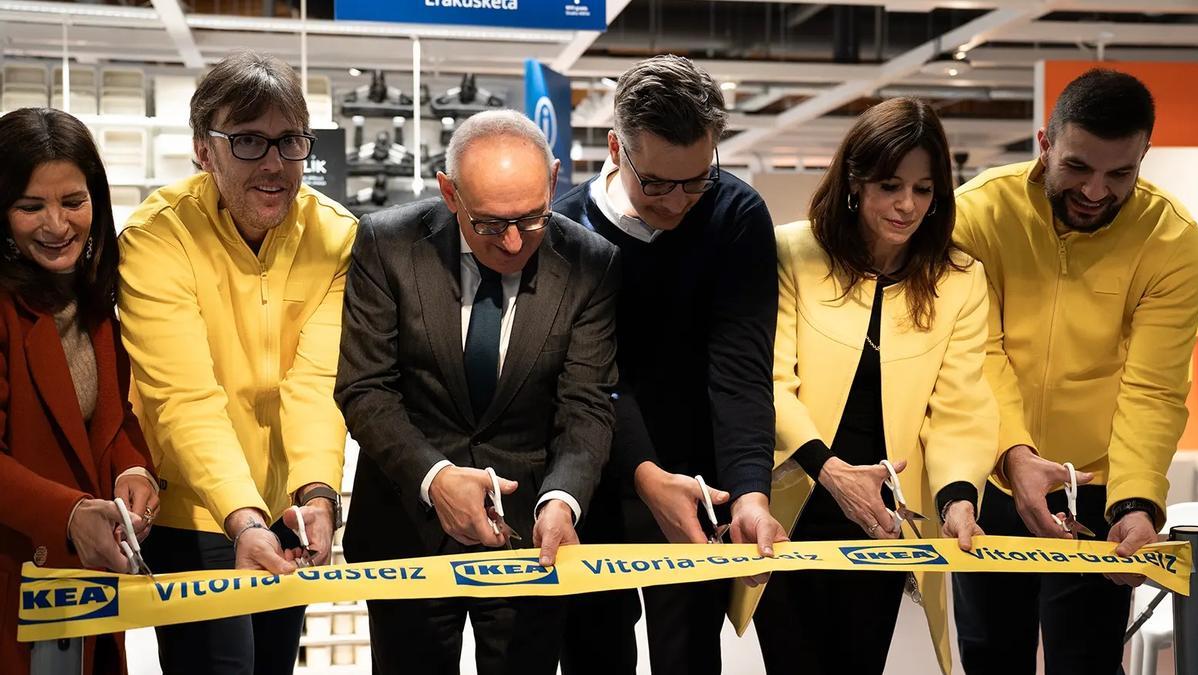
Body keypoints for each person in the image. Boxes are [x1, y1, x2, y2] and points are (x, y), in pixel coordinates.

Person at [335, 109, 619, 675]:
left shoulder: (591, 262)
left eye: (532, 219)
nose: (513, 243)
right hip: (406, 528)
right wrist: (434, 478)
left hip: (530, 536)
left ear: (554, 180)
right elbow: (365, 387)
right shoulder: (388, 242)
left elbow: (587, 403)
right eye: (489, 224)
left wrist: (562, 499)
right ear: (449, 193)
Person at [734, 97, 998, 675]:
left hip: (883, 520)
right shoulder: (791, 251)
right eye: (889, 186)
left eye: (923, 189)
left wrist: (958, 498)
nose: (907, 205)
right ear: (854, 182)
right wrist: (832, 473)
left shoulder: (960, 279)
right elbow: (769, 381)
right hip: (794, 505)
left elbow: (960, 406)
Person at [952, 68, 1198, 675]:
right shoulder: (978, 212)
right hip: (991, 475)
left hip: (1094, 486)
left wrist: (1136, 501)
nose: (1095, 190)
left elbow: (1154, 387)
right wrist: (1012, 453)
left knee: (1087, 660)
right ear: (1046, 144)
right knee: (991, 656)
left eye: (1120, 174)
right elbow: (977, 351)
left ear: (1143, 157)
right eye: (1078, 167)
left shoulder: (1173, 242)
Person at [117, 50, 357, 674]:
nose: (274, 164)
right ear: (204, 149)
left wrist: (318, 494)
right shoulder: (156, 236)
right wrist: (242, 519)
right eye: (248, 141)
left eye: (290, 141)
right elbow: (182, 397)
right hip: (195, 509)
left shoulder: (335, 236)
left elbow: (317, 383)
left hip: (288, 509)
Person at [554, 54, 786, 675]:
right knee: (595, 652)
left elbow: (741, 371)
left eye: (697, 179)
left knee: (689, 654)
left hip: (698, 483)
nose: (679, 201)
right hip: (593, 477)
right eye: (657, 183)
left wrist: (751, 492)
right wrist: (644, 474)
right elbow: (593, 376)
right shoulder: (568, 229)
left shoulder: (736, 216)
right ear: (615, 149)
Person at [0, 107, 158, 675]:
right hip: (17, 586)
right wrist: (69, 514)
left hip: (82, 592)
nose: (57, 225)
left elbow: (110, 420)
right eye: (30, 207)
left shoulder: (92, 300)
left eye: (73, 202)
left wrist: (134, 470)